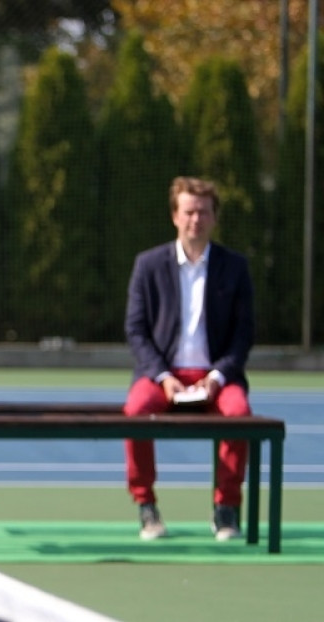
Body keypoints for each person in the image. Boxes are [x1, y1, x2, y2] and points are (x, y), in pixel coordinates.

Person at [123, 176, 254, 542]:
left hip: (217, 375)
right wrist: (163, 376)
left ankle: (225, 507)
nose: (196, 219)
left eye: (204, 212)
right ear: (175, 216)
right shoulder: (148, 265)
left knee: (240, 416)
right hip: (162, 375)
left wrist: (217, 376)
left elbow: (244, 335)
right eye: (189, 211)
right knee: (135, 413)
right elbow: (136, 330)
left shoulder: (234, 267)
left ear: (214, 218)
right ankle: (146, 505)